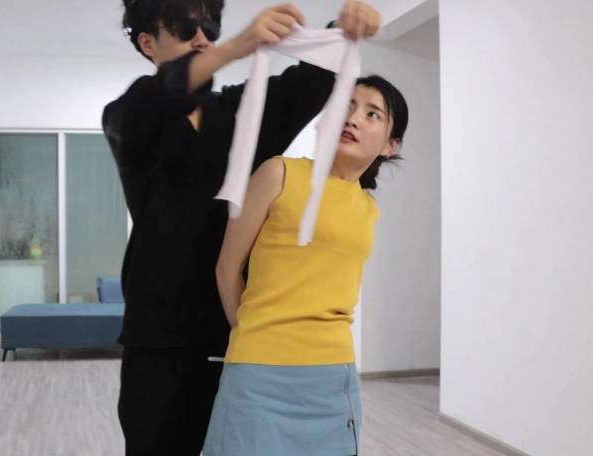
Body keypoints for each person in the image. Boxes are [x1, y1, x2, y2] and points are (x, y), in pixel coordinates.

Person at [102, 1, 382, 454]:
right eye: (184, 27)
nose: (202, 37)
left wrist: (344, 28)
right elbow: (159, 94)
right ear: (147, 42)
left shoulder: (240, 112)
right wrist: (237, 46)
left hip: (239, 340)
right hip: (160, 344)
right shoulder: (130, 116)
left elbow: (311, 81)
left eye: (210, 26)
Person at [202, 74, 409, 456]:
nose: (352, 118)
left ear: (390, 144)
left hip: (333, 376)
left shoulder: (368, 209)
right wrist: (253, 335)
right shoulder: (278, 173)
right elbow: (226, 269)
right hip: (258, 371)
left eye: (372, 114)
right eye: (347, 106)